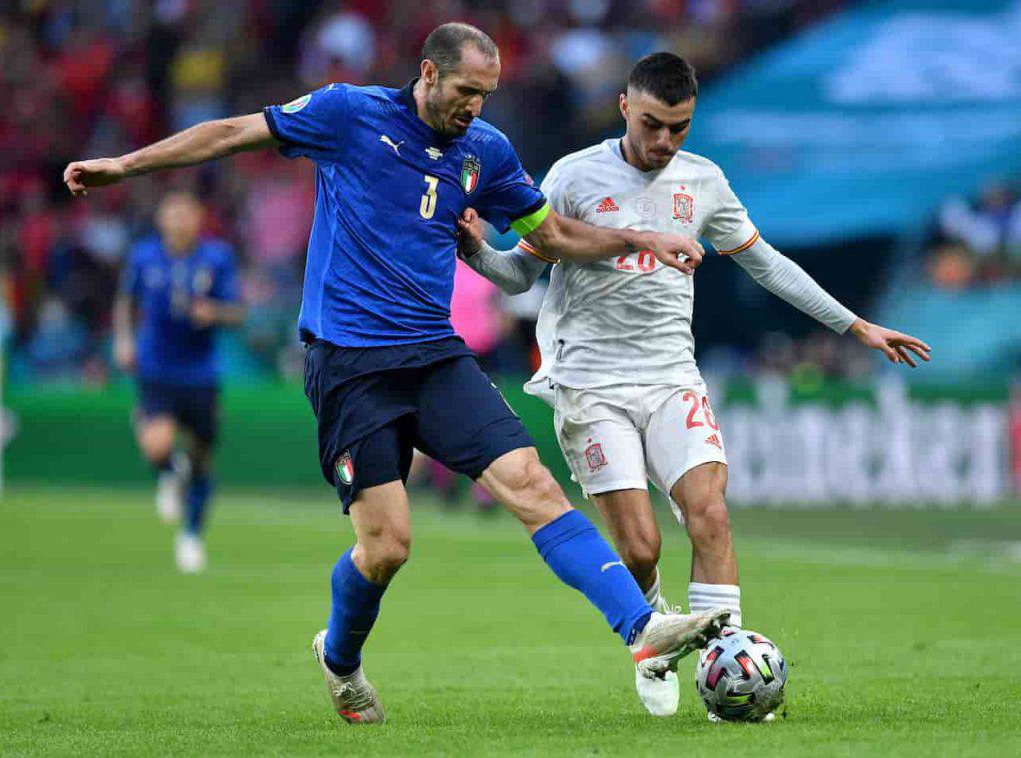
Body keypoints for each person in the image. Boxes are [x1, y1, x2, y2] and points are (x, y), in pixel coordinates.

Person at [64, 24, 730, 724]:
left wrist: (639, 238)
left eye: (488, 94)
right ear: (429, 74)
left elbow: (550, 236)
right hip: (349, 365)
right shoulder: (348, 114)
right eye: (466, 90)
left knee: (531, 482)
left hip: (434, 355)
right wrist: (127, 165)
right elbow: (233, 132)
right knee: (387, 547)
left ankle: (640, 630)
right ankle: (340, 659)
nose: (476, 105)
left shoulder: (486, 152)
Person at [457, 52, 931, 718]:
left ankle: (728, 673)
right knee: (641, 547)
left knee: (710, 514)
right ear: (625, 107)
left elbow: (767, 265)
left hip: (671, 374)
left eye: (678, 128)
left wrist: (853, 325)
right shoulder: (572, 177)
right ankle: (650, 639)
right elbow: (518, 277)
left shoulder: (703, 182)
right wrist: (477, 250)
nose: (662, 142)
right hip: (589, 382)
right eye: (651, 124)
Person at [113, 191, 244, 573]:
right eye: (173, 213)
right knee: (157, 445)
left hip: (201, 372)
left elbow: (237, 312)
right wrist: (123, 339)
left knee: (203, 459)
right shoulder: (144, 255)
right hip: (157, 366)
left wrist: (214, 312)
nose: (180, 221)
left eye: (187, 213)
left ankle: (191, 536)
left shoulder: (217, 257)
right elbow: (125, 300)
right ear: (161, 218)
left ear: (199, 217)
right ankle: (171, 472)